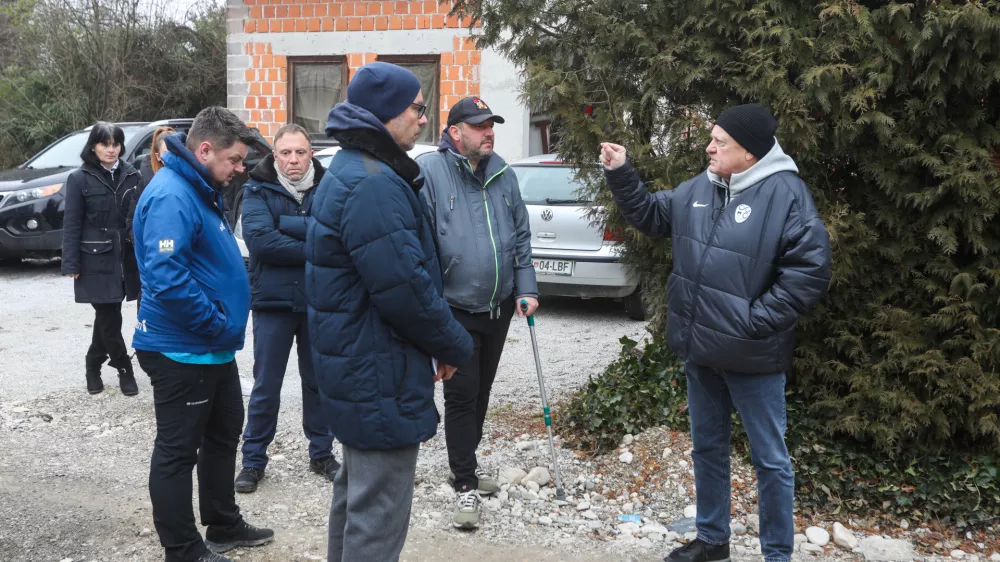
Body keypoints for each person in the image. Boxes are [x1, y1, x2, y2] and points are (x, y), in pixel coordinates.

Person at [600, 104, 832, 562]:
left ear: (750, 152)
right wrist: (622, 172)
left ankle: (777, 555)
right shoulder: (700, 188)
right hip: (702, 351)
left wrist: (752, 323)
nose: (709, 148)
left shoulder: (786, 194)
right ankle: (712, 540)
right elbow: (651, 215)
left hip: (752, 356)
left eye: (720, 142)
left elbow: (809, 272)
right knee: (707, 448)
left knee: (770, 460)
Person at [306, 62, 473, 562]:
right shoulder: (373, 183)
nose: (424, 118)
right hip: (378, 371)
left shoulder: (358, 168)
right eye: (417, 108)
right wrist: (453, 344)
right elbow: (405, 290)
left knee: (358, 495)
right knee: (377, 513)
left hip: (364, 366)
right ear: (385, 112)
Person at [131, 107, 273, 562]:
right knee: (177, 452)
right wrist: (214, 322)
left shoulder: (198, 186)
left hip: (210, 348)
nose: (240, 169)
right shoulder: (172, 194)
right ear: (205, 150)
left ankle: (223, 522)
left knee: (224, 432)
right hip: (182, 348)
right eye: (234, 159)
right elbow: (166, 276)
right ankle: (183, 549)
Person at [416, 96, 538, 529]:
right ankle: (465, 482)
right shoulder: (431, 172)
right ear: (455, 132)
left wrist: (526, 287)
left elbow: (521, 235)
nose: (489, 133)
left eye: (491, 126)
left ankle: (463, 462)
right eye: (480, 126)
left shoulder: (504, 173)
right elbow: (422, 244)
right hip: (454, 306)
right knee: (462, 394)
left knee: (482, 391)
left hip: (498, 305)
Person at [234, 123, 338, 493]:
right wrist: (314, 241)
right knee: (266, 385)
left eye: (300, 152)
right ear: (274, 156)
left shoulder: (330, 186)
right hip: (272, 303)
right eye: (286, 153)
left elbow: (338, 235)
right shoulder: (256, 188)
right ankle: (253, 460)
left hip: (318, 302)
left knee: (319, 382)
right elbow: (261, 241)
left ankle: (322, 453)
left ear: (311, 154)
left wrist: (286, 225)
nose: (293, 160)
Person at [61, 121, 142, 396]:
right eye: (105, 144)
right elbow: (72, 224)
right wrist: (71, 263)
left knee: (107, 318)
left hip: (125, 258)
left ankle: (92, 363)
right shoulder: (79, 178)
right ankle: (124, 368)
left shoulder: (132, 175)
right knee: (109, 317)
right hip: (95, 259)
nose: (111, 149)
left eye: (116, 144)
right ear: (93, 146)